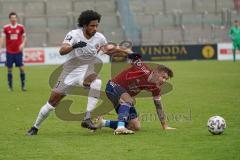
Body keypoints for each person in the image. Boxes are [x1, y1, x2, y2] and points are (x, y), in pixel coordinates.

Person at [26, 10, 132, 136]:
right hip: (69, 74)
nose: (95, 28)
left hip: (85, 73)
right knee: (51, 104)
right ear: (85, 25)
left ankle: (87, 118)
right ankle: (35, 127)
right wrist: (74, 46)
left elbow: (109, 50)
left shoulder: (99, 38)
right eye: (92, 26)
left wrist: (128, 53)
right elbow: (62, 50)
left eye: (96, 25)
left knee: (96, 80)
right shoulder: (73, 34)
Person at [97, 53, 176, 135]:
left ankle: (103, 123)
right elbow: (131, 57)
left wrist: (165, 126)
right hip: (113, 86)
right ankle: (120, 128)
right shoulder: (143, 68)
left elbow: (158, 106)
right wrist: (131, 55)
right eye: (163, 77)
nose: (164, 81)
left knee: (135, 126)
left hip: (123, 96)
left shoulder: (156, 88)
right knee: (129, 100)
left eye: (166, 79)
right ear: (156, 72)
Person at [0, 12, 27, 91]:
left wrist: (23, 44)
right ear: (10, 19)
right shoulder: (6, 28)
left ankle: (23, 86)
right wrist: (1, 48)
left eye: (15, 18)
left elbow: (25, 37)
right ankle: (10, 87)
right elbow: (2, 38)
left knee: (21, 68)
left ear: (16, 18)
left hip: (18, 51)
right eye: (12, 18)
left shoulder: (21, 27)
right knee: (9, 69)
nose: (13, 19)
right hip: (9, 52)